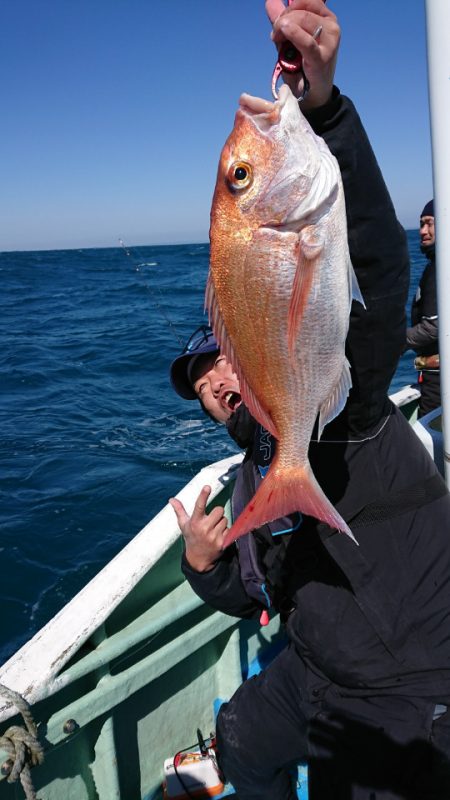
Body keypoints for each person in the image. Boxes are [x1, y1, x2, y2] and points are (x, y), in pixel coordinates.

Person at [169, 2, 450, 798]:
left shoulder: (348, 411)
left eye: (218, 367)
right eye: (206, 394)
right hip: (320, 671)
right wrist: (202, 568)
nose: (219, 385)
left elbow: (381, 272)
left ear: (247, 356)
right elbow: (260, 584)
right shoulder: (259, 475)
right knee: (235, 734)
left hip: (413, 669)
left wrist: (323, 106)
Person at [406, 199, 441, 417]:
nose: (422, 231)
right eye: (421, 224)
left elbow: (433, 327)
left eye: (429, 223)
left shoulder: (439, 269)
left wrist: (393, 341)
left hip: (437, 381)